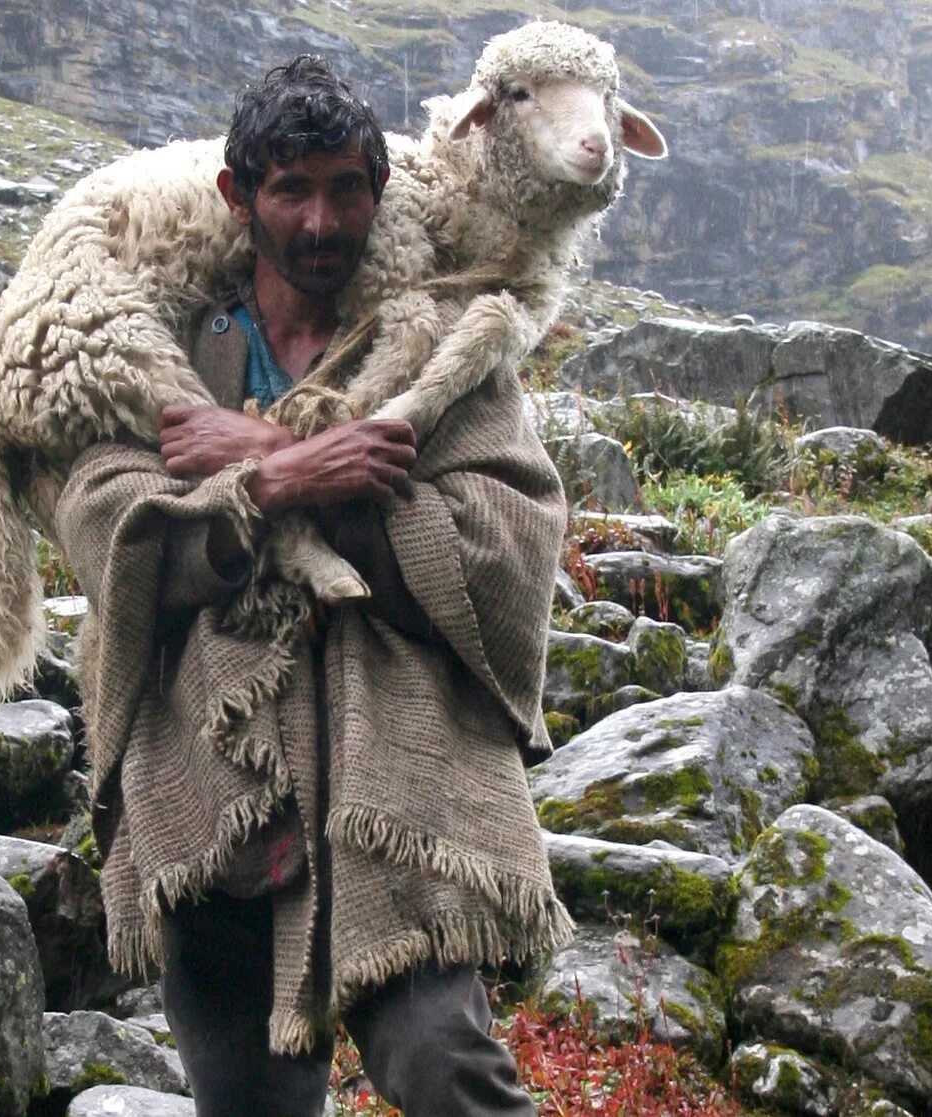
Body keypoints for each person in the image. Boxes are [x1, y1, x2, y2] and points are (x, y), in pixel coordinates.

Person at [49, 56, 573, 1117]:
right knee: (245, 1102)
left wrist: (300, 477)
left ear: (379, 192)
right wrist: (287, 475)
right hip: (212, 773)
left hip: (402, 779)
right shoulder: (164, 345)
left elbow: (509, 545)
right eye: (291, 190)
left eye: (345, 188)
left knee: (442, 1066)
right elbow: (98, 517)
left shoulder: (437, 349)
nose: (322, 222)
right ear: (238, 198)